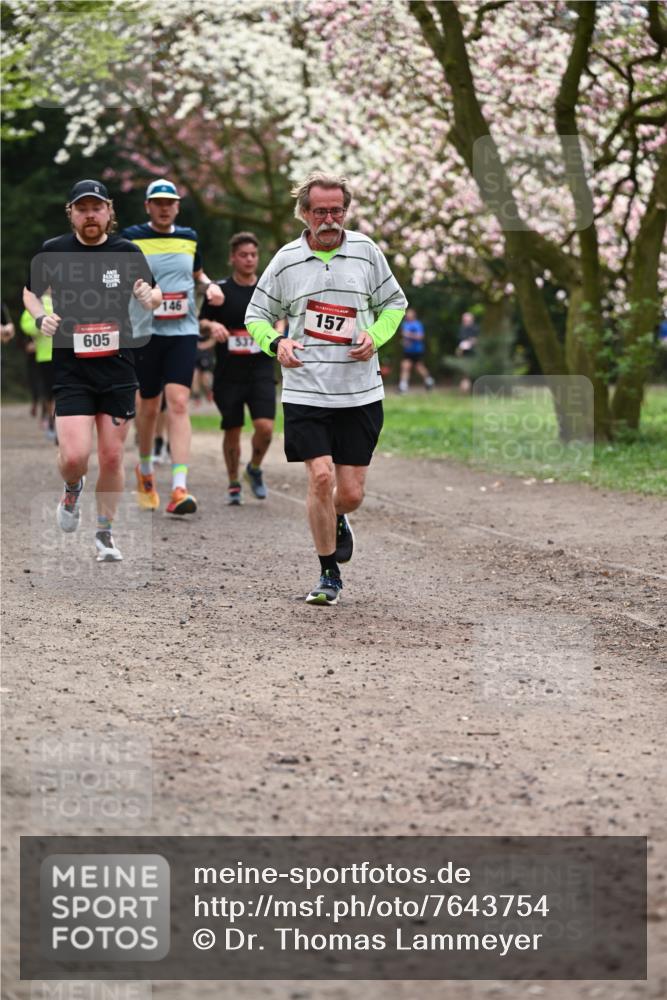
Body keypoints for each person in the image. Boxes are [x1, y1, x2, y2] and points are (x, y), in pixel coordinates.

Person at [246, 171, 407, 605]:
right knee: (320, 477)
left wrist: (375, 335)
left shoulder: (366, 252)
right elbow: (256, 315)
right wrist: (277, 343)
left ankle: (337, 517)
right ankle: (328, 572)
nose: (330, 219)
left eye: (337, 210)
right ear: (304, 213)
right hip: (306, 390)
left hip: (359, 391)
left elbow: (395, 303)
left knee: (349, 494)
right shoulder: (286, 260)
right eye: (320, 211)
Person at [23, 178, 161, 561]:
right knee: (74, 457)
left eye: (96, 208)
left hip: (118, 368)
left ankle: (105, 533)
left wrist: (148, 297)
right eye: (82, 209)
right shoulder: (53, 251)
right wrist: (41, 317)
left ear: (108, 211)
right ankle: (73, 488)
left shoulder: (127, 251)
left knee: (113, 456)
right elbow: (30, 292)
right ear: (71, 214)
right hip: (72, 369)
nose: (90, 215)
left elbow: (154, 292)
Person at [121, 178, 223, 515]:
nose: (164, 209)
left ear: (177, 207)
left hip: (183, 330)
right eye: (158, 203)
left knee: (178, 403)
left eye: (170, 203)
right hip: (145, 332)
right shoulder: (132, 238)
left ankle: (180, 488)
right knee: (148, 406)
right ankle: (146, 471)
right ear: (148, 206)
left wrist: (210, 286)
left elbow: (198, 274)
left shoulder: (189, 237)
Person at [199, 232, 278, 505]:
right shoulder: (219, 291)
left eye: (253, 255)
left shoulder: (267, 289)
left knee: (265, 428)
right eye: (243, 255)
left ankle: (254, 468)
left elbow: (281, 318)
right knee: (232, 429)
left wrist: (279, 332)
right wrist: (213, 325)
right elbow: (201, 322)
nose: (249, 259)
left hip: (261, 370)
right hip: (229, 373)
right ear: (232, 258)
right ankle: (233, 482)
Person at [21, 295, 56, 439]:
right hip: (44, 356)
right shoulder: (32, 304)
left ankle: (59, 422)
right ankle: (52, 421)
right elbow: (26, 326)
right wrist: (41, 324)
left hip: (63, 354)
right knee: (48, 392)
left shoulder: (57, 300)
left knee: (62, 391)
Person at [398, 307, 435, 393]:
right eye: (407, 313)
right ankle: (403, 387)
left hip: (417, 350)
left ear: (413, 315)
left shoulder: (417, 324)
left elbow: (420, 336)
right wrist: (404, 342)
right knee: (405, 366)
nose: (407, 314)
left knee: (419, 367)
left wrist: (409, 335)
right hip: (407, 351)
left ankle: (429, 381)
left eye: (409, 313)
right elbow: (404, 337)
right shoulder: (404, 324)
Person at [456, 311, 479, 393]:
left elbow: (478, 340)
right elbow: (461, 342)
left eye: (467, 320)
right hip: (465, 354)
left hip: (474, 354)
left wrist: (473, 341)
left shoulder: (476, 329)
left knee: (472, 373)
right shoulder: (462, 329)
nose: (465, 322)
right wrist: (459, 350)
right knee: (465, 373)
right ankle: (465, 390)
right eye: (464, 320)